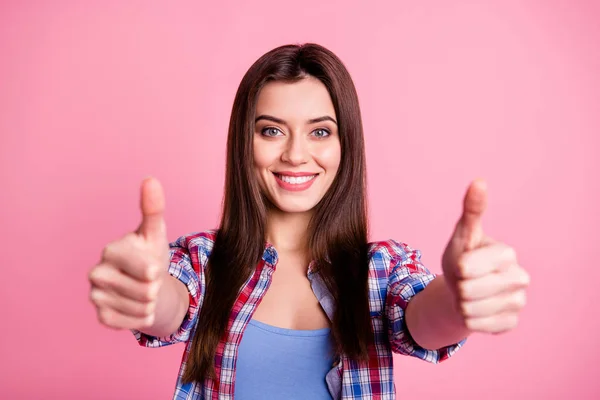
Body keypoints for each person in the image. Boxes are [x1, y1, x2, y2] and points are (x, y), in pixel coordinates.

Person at [88, 43, 529, 400]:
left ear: (345, 145)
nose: (296, 154)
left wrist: (458, 297)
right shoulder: (204, 259)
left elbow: (427, 322)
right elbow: (169, 306)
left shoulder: (382, 270)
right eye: (271, 130)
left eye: (320, 131)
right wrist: (146, 295)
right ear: (244, 142)